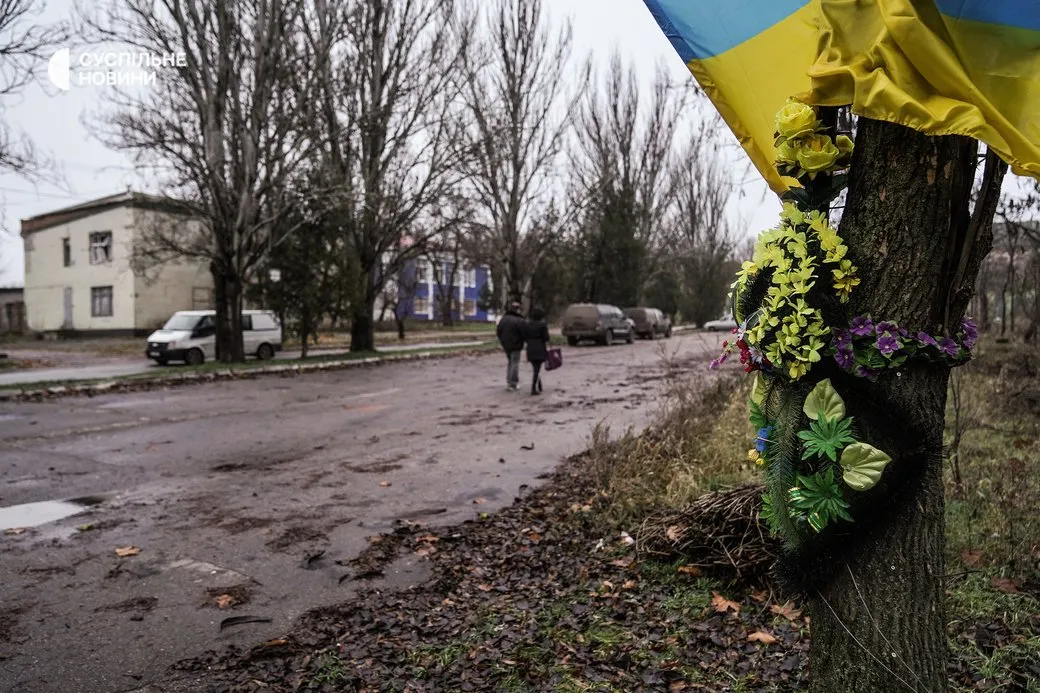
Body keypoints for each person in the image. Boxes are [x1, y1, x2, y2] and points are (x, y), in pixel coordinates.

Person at [496, 301, 525, 391]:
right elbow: (523, 333)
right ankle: (513, 383)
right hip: (516, 344)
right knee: (515, 363)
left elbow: (498, 331)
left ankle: (509, 381)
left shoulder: (504, 319)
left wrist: (502, 341)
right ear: (518, 310)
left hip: (506, 344)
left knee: (510, 362)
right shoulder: (520, 320)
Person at [523, 307, 550, 395]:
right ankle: (533, 387)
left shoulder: (527, 325)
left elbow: (524, 336)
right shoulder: (543, 325)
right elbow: (546, 338)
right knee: (537, 368)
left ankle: (539, 383)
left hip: (530, 347)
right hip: (540, 347)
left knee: (535, 367)